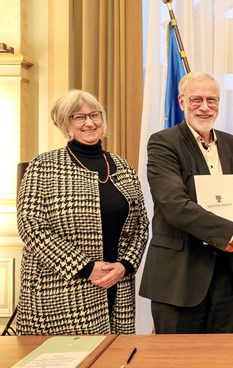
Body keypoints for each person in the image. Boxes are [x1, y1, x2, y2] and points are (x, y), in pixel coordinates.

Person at [139, 71, 233, 334]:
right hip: (180, 279)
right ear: (181, 102)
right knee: (177, 362)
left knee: (227, 360)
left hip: (228, 279)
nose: (204, 107)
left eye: (212, 100)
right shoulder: (164, 143)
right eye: (196, 99)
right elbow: (175, 205)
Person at [16, 90, 149, 335]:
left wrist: (126, 265)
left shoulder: (122, 166)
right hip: (61, 292)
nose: (89, 123)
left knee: (115, 358)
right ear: (65, 123)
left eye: (94, 115)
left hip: (117, 288)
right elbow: (31, 226)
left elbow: (140, 224)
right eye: (78, 117)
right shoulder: (43, 166)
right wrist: (85, 267)